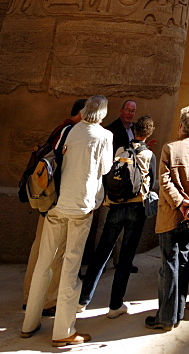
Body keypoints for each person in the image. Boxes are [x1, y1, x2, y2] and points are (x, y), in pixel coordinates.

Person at [21, 95, 114, 347]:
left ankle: (29, 322)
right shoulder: (105, 136)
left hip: (57, 203)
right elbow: (105, 169)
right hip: (81, 207)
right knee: (70, 267)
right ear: (102, 114)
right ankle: (63, 330)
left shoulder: (70, 131)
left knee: (45, 261)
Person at [78, 115, 157, 317]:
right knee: (125, 258)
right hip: (135, 209)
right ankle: (115, 305)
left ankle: (83, 300)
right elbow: (151, 182)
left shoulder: (121, 150)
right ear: (149, 133)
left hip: (115, 206)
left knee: (102, 254)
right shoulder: (149, 154)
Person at [145, 105, 189, 332]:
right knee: (183, 263)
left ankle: (166, 316)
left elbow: (164, 180)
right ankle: (178, 311)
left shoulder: (170, 148)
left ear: (181, 125)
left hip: (171, 215)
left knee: (168, 265)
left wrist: (180, 202)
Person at [22, 98, 87, 314]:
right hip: (56, 199)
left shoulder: (61, 128)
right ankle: (48, 301)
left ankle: (29, 297)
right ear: (82, 113)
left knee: (40, 248)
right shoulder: (70, 132)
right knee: (54, 251)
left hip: (47, 196)